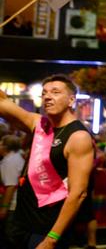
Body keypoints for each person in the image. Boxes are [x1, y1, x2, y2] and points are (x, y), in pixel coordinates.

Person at [0, 75, 94, 249]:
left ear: (71, 100)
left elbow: (78, 194)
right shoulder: (39, 123)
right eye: (44, 93)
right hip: (20, 224)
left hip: (46, 231)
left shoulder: (78, 137)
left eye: (55, 92)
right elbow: (3, 104)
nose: (47, 96)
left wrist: (51, 239)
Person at [0, 135, 25, 248]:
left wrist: (4, 207)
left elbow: (10, 186)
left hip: (12, 205)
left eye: (0, 143)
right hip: (18, 203)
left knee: (10, 237)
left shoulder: (10, 162)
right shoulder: (16, 157)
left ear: (5, 147)